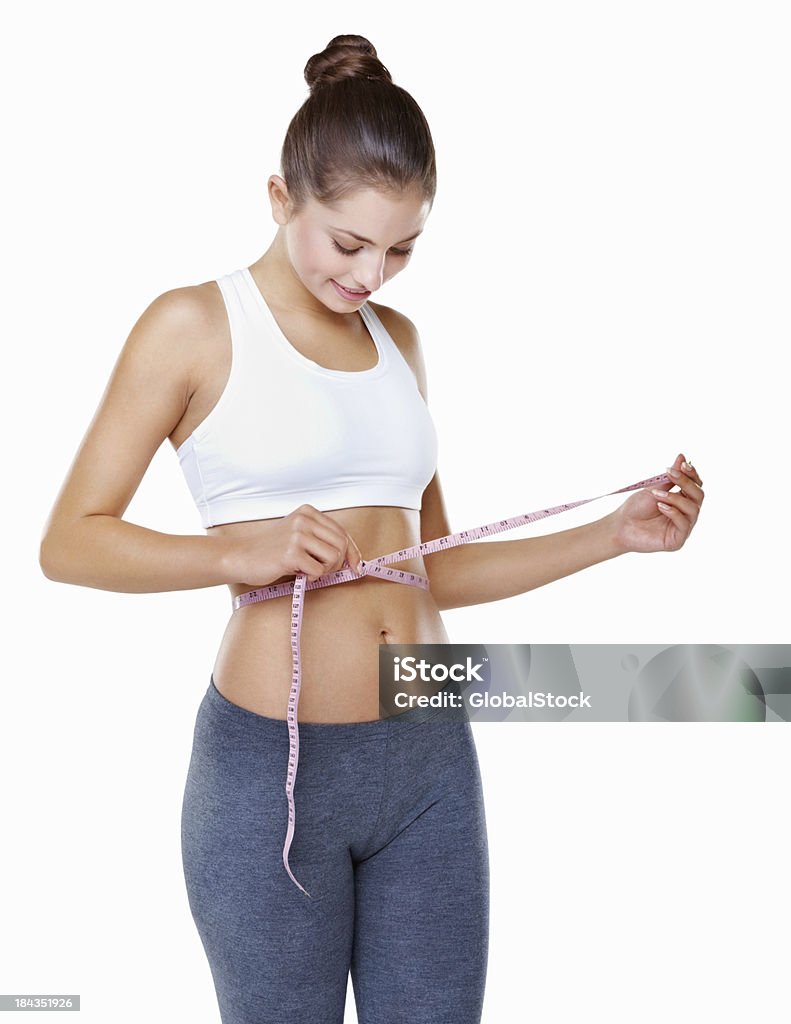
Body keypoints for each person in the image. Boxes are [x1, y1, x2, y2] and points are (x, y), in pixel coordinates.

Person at [39, 33, 705, 1024]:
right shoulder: (192, 325)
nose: (372, 275)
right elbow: (70, 540)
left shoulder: (398, 343)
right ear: (279, 197)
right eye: (348, 243)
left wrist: (612, 535)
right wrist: (237, 550)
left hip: (430, 743)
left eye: (399, 249)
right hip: (276, 769)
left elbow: (436, 564)